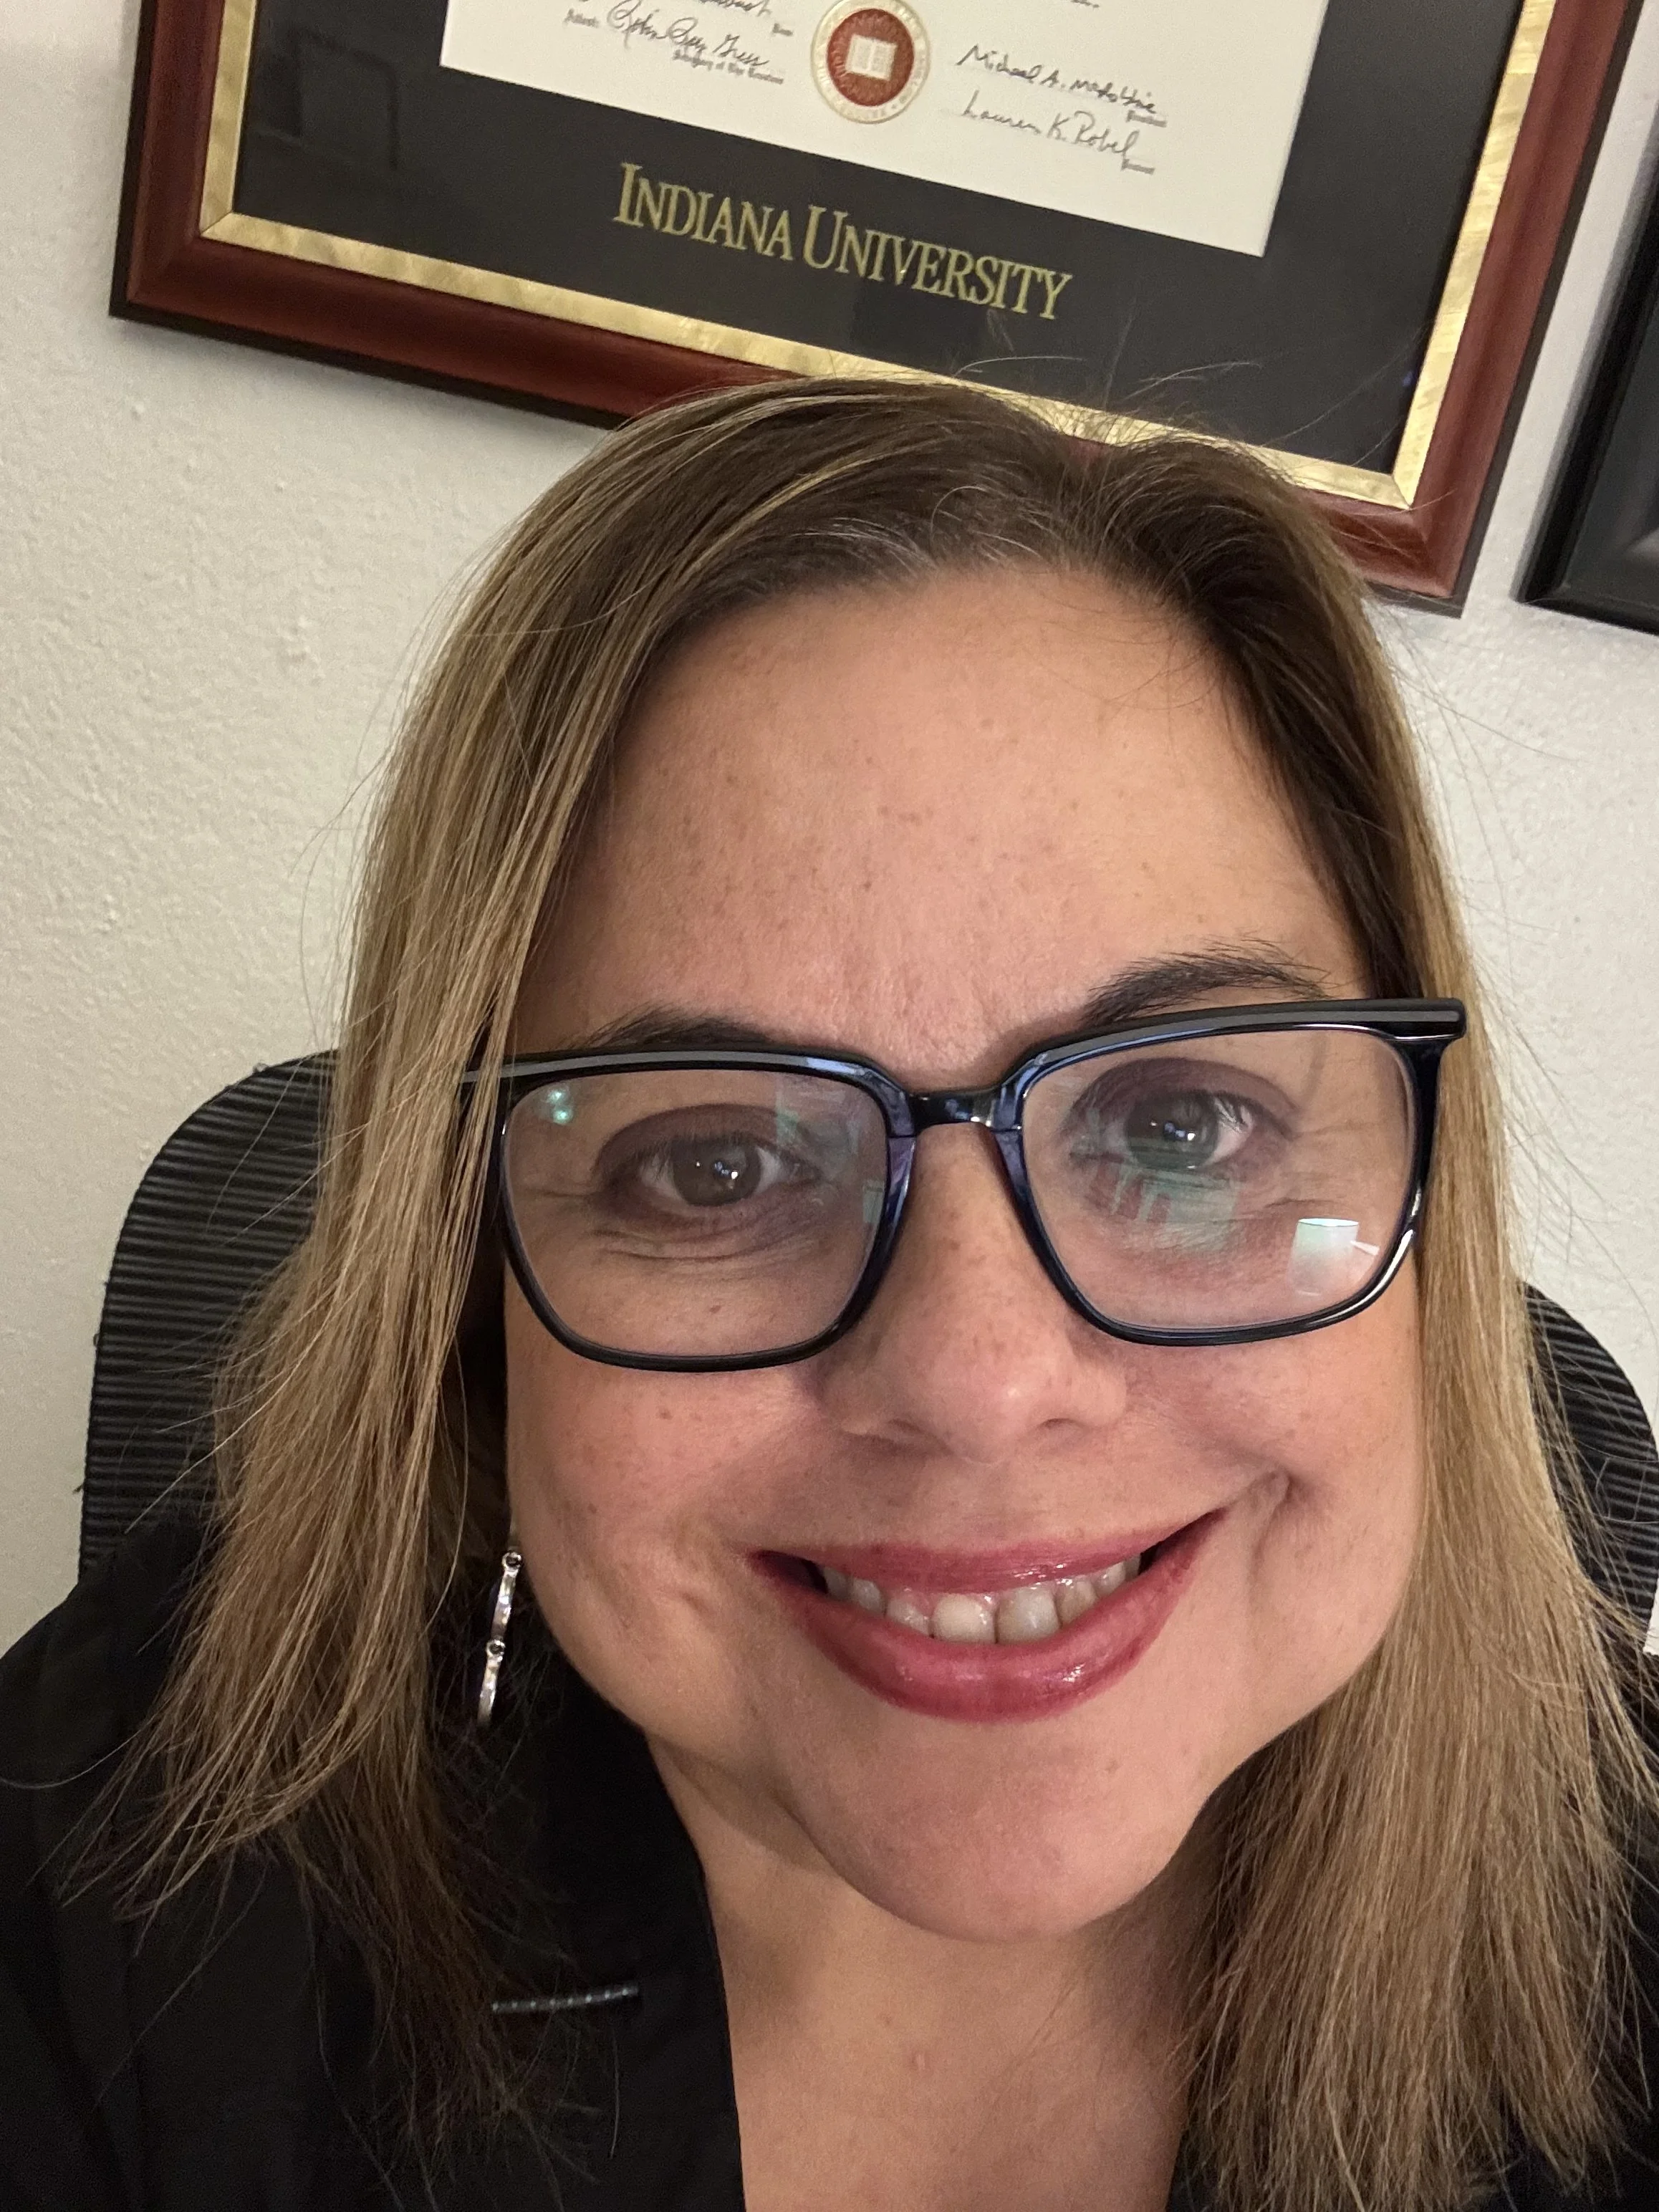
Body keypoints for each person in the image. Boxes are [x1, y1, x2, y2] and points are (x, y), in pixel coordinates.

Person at [1, 378, 1655, 2212]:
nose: (976, 1374)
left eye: (1184, 1121)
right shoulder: (122, 1877)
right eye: (713, 1165)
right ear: (461, 1282)